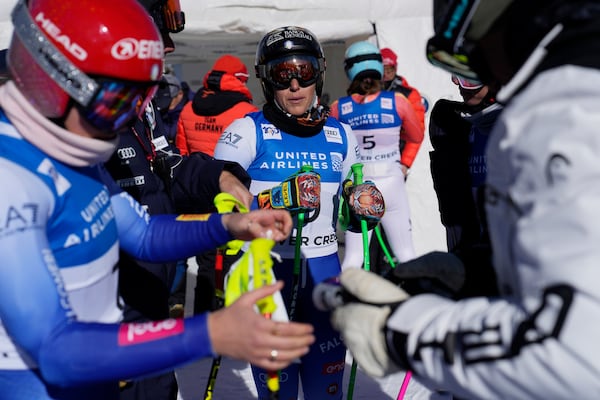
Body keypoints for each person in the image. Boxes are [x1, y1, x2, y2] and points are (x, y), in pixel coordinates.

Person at [0, 2, 316, 400]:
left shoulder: (70, 145)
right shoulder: (11, 180)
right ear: (50, 80)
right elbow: (56, 350)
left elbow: (144, 234)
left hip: (103, 374)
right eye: (116, 104)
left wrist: (228, 226)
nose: (123, 123)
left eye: (138, 104)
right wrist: (211, 332)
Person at [327, 1, 600, 399]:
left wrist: (406, 332)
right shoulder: (563, 98)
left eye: (470, 56)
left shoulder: (563, 111)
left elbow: (578, 352)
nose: (474, 77)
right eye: (456, 68)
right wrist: (477, 271)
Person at [214, 26, 383, 400]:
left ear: (318, 75)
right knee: (279, 394)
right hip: (268, 276)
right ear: (265, 80)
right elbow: (218, 204)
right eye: (281, 73)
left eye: (303, 72)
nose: (294, 85)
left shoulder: (341, 135)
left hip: (324, 273)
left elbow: (345, 214)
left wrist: (359, 207)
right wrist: (273, 201)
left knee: (328, 391)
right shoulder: (245, 131)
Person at [330, 41, 424, 267]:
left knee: (353, 257)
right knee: (405, 254)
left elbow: (334, 149)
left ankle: (342, 300)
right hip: (392, 178)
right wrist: (405, 165)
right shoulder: (398, 101)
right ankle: (417, 300)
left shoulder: (339, 107)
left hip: (360, 186)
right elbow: (416, 136)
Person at [428, 74, 502, 298]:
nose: (460, 86)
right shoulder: (455, 123)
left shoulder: (516, 125)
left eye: (471, 79)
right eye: (456, 75)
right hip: (472, 252)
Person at [176, 54, 257, 157]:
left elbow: (182, 152)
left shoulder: (188, 108)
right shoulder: (249, 112)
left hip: (197, 171)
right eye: (245, 81)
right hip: (232, 172)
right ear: (239, 80)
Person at [154, 73, 191, 143]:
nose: (164, 106)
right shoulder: (158, 111)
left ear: (180, 94)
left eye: (168, 101)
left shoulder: (193, 111)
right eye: (161, 100)